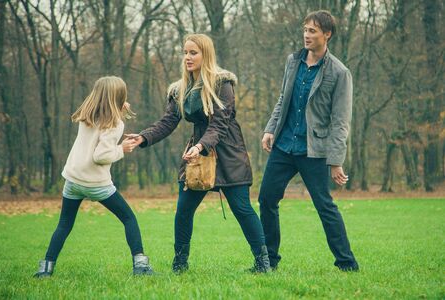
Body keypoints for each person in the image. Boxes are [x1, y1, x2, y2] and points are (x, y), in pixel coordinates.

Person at [127, 33, 271, 273]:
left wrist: (199, 146)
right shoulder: (180, 89)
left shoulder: (222, 84)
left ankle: (262, 263)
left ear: (206, 54)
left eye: (193, 52)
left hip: (228, 154)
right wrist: (143, 137)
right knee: (183, 210)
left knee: (242, 209)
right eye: (185, 52)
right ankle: (180, 264)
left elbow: (220, 125)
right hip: (198, 158)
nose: (187, 57)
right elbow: (167, 122)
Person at [259, 10, 359, 271]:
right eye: (305, 29)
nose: (306, 34)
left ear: (327, 34)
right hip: (284, 146)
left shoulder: (339, 73)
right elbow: (283, 98)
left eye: (312, 30)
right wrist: (270, 129)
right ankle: (269, 261)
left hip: (313, 150)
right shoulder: (293, 61)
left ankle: (346, 263)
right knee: (267, 199)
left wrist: (336, 161)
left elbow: (340, 122)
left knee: (324, 206)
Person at [34, 76, 154, 278]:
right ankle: (140, 266)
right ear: (119, 97)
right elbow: (101, 156)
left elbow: (101, 125)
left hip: (72, 180)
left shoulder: (86, 115)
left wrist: (119, 108)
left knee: (64, 224)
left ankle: (45, 269)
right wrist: (122, 149)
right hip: (96, 183)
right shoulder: (115, 123)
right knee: (128, 218)